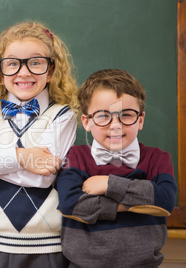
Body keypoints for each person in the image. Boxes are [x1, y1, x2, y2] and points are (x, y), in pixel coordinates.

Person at [0, 21, 79, 268]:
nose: (23, 73)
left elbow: (42, 177)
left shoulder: (63, 115)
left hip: (48, 248)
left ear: (51, 70)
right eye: (13, 63)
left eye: (35, 63)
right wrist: (23, 158)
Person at [56, 69, 177, 268]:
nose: (115, 125)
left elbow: (164, 201)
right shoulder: (74, 157)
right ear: (86, 122)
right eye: (103, 116)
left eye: (126, 115)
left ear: (140, 120)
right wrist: (140, 203)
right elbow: (72, 205)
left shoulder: (158, 158)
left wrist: (109, 184)